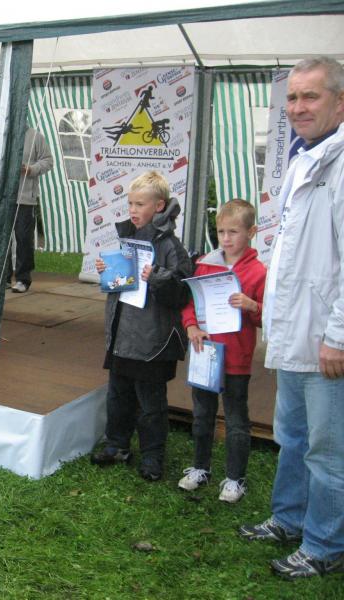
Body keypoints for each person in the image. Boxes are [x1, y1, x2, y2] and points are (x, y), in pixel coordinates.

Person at [238, 56, 344, 579]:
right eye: (293, 98)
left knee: (327, 450)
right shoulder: (306, 157)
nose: (298, 107)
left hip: (325, 339)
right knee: (293, 435)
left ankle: (324, 545)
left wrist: (338, 337)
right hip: (296, 331)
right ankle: (288, 518)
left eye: (311, 96)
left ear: (340, 102)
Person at [90, 170, 193, 481]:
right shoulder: (128, 238)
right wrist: (108, 272)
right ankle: (116, 445)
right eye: (130, 203)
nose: (132, 210)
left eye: (139, 204)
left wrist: (158, 276)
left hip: (153, 342)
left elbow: (183, 293)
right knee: (118, 396)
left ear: (159, 206)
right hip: (123, 336)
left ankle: (152, 457)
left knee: (151, 405)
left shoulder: (172, 246)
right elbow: (122, 286)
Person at [179, 199, 266, 503]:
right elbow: (191, 303)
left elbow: (267, 316)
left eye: (234, 232)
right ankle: (200, 468)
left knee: (236, 418)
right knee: (202, 414)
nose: (226, 239)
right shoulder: (206, 264)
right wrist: (191, 326)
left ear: (251, 232)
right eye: (221, 232)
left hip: (236, 358)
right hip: (205, 352)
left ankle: (235, 478)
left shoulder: (258, 272)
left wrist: (253, 306)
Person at [7, 127, 53, 293]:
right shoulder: (1, 133)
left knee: (23, 239)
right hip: (3, 197)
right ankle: (3, 278)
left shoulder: (35, 136)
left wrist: (31, 169)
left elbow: (48, 161)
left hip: (25, 198)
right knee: (2, 240)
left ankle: (23, 279)